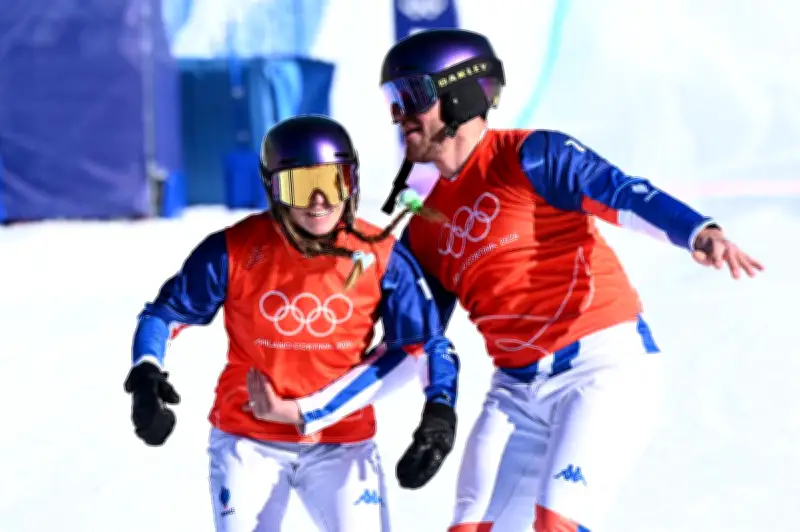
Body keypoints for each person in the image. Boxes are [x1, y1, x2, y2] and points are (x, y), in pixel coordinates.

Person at [261, 29, 764, 532]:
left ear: (459, 94)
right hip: (516, 391)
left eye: (411, 96)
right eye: (392, 101)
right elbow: (413, 344)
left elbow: (623, 193)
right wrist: (307, 410)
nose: (399, 117)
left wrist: (698, 232)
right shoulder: (423, 229)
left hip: (602, 371)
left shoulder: (531, 156)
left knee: (555, 524)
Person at [122, 115, 461, 532]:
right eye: (300, 186)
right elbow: (164, 315)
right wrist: (145, 374)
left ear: (351, 182)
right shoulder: (233, 249)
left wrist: (440, 410)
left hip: (342, 443)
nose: (318, 200)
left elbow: (426, 344)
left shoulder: (383, 256)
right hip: (249, 440)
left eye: (331, 181)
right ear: (274, 190)